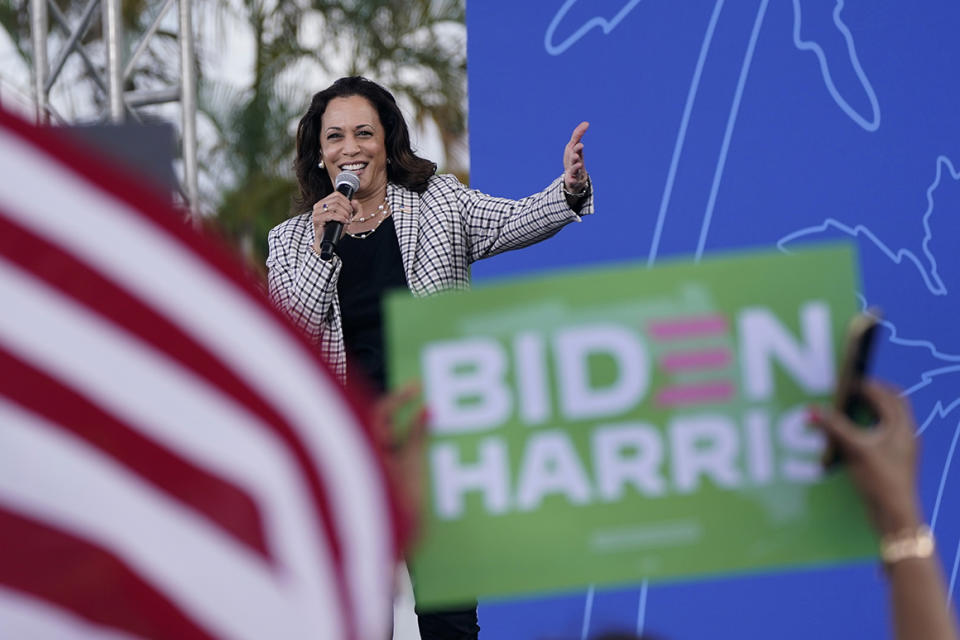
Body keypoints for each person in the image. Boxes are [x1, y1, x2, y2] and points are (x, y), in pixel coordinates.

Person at [266, 75, 593, 640]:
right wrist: (323, 247)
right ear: (320, 154)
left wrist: (566, 189)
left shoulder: (438, 204)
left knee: (449, 620)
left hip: (434, 444)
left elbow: (512, 220)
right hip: (352, 453)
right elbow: (289, 336)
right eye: (336, 137)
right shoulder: (291, 241)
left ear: (386, 140)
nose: (351, 149)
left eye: (364, 133)